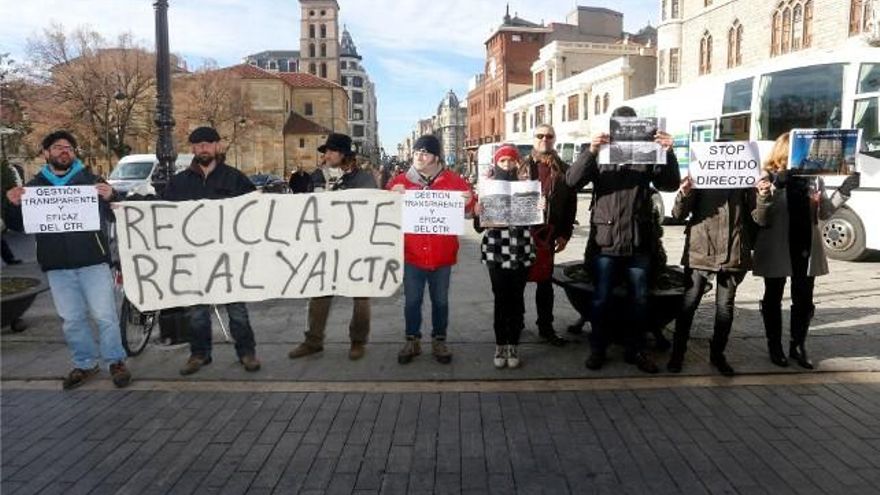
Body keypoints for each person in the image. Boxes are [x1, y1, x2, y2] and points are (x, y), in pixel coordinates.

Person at [5, 131, 131, 390]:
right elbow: (18, 226)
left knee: (105, 316)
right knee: (72, 319)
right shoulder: (33, 188)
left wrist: (112, 197)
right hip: (58, 266)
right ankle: (84, 363)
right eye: (58, 147)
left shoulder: (91, 181)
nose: (64, 151)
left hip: (93, 262)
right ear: (46, 153)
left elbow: (116, 216)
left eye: (69, 148)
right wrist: (12, 205)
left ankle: (115, 361)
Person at [565, 106, 681, 374]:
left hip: (638, 240)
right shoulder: (602, 153)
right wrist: (590, 151)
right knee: (601, 298)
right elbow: (571, 182)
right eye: (621, 125)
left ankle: (635, 350)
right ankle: (598, 348)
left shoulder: (648, 152)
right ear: (614, 127)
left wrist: (668, 152)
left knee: (640, 299)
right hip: (606, 242)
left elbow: (670, 184)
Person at [753, 132, 860, 369]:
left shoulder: (813, 179)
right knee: (773, 296)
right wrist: (770, 191)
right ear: (784, 152)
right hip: (777, 246)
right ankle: (775, 347)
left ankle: (798, 345)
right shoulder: (766, 177)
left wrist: (845, 189)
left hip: (805, 247)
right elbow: (760, 217)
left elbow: (824, 212)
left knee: (804, 299)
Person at [164, 126, 261, 376]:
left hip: (229, 258)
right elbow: (159, 211)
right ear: (193, 149)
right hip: (194, 259)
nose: (203, 148)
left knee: (237, 311)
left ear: (217, 146)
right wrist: (124, 206)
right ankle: (199, 355)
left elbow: (256, 211)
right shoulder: (179, 182)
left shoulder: (235, 178)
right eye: (198, 145)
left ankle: (247, 353)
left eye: (208, 143)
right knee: (197, 312)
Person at [666, 174, 771, 375]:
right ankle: (677, 354)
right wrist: (684, 193)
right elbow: (678, 214)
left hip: (733, 252)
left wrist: (763, 195)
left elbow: (762, 219)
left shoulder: (747, 180)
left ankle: (717, 354)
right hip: (700, 250)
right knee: (688, 304)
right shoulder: (701, 177)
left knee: (725, 308)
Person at [387, 134, 475, 364]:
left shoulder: (454, 181)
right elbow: (384, 213)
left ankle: (439, 339)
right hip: (411, 256)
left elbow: (472, 208)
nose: (418, 156)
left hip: (442, 256)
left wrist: (469, 201)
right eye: (416, 152)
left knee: (441, 302)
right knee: (412, 301)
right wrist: (390, 197)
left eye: (424, 153)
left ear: (436, 157)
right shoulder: (400, 181)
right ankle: (412, 339)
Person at [289, 132, 377, 361]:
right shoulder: (318, 176)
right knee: (319, 293)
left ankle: (358, 341)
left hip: (354, 247)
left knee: (360, 296)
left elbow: (371, 211)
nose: (326, 155)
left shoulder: (363, 179)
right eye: (325, 151)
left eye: (330, 151)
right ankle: (313, 340)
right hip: (324, 247)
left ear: (344, 155)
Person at [475, 144, 536, 369]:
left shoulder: (526, 185)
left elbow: (535, 221)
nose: (507, 165)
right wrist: (478, 213)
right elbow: (479, 227)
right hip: (496, 250)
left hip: (521, 250)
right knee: (501, 299)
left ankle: (514, 344)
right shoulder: (488, 187)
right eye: (503, 161)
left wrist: (539, 207)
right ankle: (501, 344)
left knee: (517, 298)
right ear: (496, 163)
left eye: (511, 160)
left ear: (517, 162)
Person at [519, 124, 578, 346]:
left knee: (545, 283)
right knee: (519, 283)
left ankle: (546, 327)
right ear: (533, 138)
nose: (545, 139)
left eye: (549, 136)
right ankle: (517, 324)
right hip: (523, 234)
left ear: (554, 140)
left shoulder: (563, 169)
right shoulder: (521, 167)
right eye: (540, 135)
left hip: (548, 234)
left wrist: (565, 234)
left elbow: (571, 205)